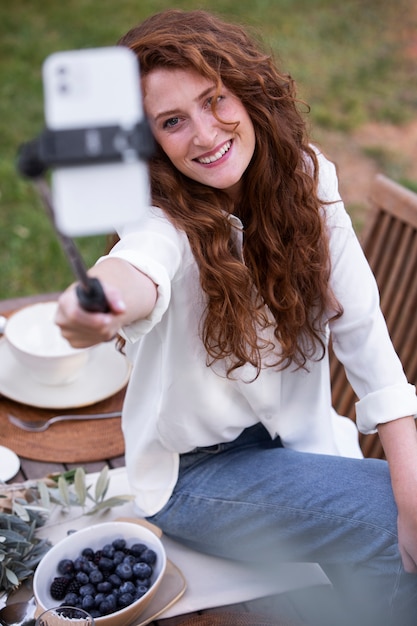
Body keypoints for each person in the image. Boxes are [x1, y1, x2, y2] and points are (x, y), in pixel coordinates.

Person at [55, 9, 417, 625]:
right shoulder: (159, 219)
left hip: (298, 440)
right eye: (172, 122)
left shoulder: (307, 176)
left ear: (247, 94)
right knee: (390, 533)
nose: (204, 133)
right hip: (197, 475)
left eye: (214, 100)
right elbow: (136, 268)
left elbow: (366, 338)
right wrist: (93, 305)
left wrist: (411, 487)